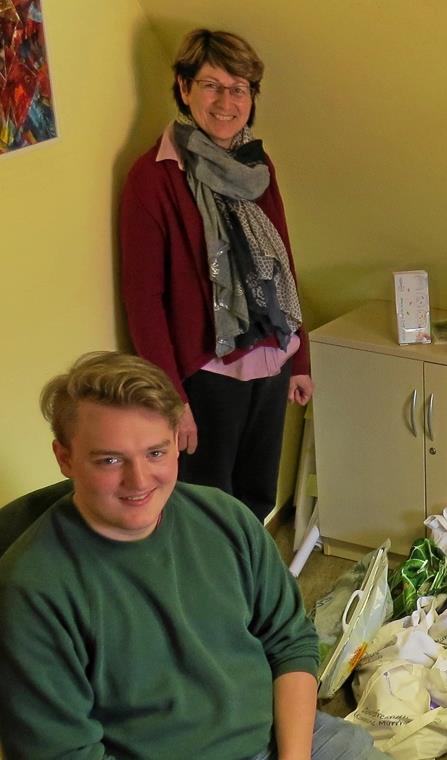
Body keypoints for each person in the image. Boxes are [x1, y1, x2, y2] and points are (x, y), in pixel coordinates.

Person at [0, 351, 386, 759]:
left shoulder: (224, 518)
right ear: (65, 459)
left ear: (176, 443)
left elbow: (290, 642)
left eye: (155, 453)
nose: (139, 480)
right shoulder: (32, 591)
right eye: (110, 460)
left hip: (283, 735)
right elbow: (65, 754)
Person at [120, 28, 312, 521]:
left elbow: (281, 261)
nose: (226, 101)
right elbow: (145, 300)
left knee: (256, 499)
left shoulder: (255, 162)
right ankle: (218, 597)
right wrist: (172, 399)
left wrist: (301, 356)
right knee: (209, 510)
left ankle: (250, 592)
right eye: (211, 84)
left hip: (270, 356)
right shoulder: (155, 176)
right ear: (183, 89)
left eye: (239, 88)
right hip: (206, 373)